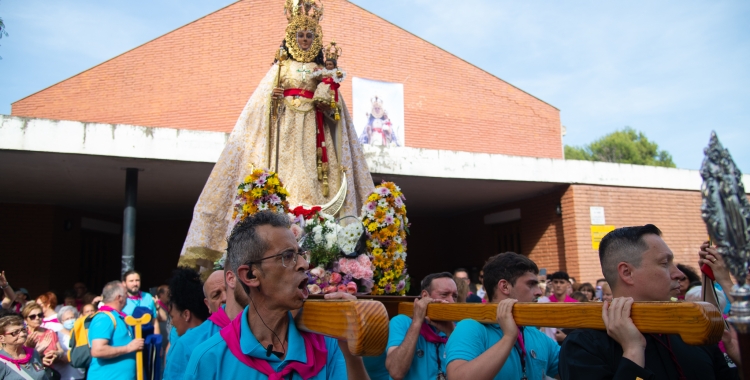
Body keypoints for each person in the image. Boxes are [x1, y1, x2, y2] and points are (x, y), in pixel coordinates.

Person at [178, 0, 374, 271]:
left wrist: (327, 92)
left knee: (317, 185)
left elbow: (335, 109)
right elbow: (260, 106)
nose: (305, 40)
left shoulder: (321, 70)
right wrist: (275, 99)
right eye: (300, 36)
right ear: (291, 38)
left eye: (309, 36)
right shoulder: (281, 68)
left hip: (314, 132)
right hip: (284, 130)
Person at [184, 210, 370, 379]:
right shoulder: (209, 359)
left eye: (300, 253)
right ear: (250, 275)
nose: (304, 264)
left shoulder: (325, 345)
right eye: (287, 256)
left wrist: (350, 350)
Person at [559, 224, 741, 379]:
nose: (678, 274)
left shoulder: (691, 331)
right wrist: (633, 352)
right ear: (627, 273)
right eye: (664, 263)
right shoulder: (584, 345)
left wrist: (742, 359)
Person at [445, 252, 559, 379]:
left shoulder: (534, 334)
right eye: (531, 284)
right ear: (505, 286)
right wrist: (509, 337)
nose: (539, 292)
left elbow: (572, 365)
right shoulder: (470, 327)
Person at [386, 272, 457, 380]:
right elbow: (396, 372)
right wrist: (417, 322)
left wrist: (452, 333)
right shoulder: (401, 322)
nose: (451, 301)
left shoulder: (458, 326)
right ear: (425, 296)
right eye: (444, 295)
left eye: (454, 296)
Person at [88, 281, 144, 380]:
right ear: (119, 297)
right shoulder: (104, 317)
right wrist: (128, 348)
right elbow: (98, 350)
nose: (128, 297)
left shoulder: (119, 317)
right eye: (126, 294)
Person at [0, 314, 54, 380]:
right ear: (1, 338)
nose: (22, 334)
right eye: (15, 332)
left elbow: (43, 377)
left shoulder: (33, 353)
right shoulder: (1, 361)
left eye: (23, 330)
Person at [121, 270, 160, 335]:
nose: (135, 284)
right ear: (124, 283)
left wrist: (157, 341)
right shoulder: (121, 299)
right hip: (128, 340)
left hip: (147, 340)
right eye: (131, 281)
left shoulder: (148, 297)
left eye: (137, 280)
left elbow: (154, 321)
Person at [53, 306, 85, 380]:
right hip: (63, 376)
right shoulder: (56, 335)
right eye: (67, 319)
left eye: (72, 317)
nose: (70, 320)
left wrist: (70, 356)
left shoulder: (82, 334)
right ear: (61, 321)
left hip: (80, 376)